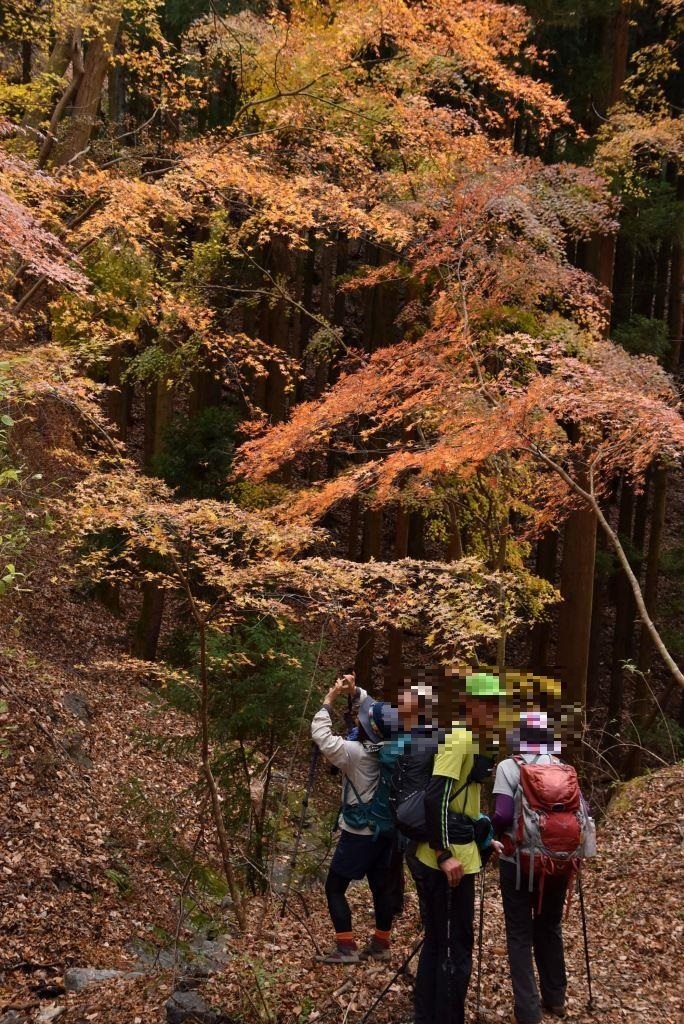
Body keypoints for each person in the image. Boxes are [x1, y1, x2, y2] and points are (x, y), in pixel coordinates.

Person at [409, 671, 504, 1024]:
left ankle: (429, 1014)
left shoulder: (477, 741)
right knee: (452, 946)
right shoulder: (459, 739)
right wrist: (444, 853)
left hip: (464, 856)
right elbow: (436, 798)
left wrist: (484, 837)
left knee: (442, 942)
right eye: (489, 704)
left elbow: (466, 805)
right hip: (447, 864)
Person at [310, 672, 398, 964]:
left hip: (359, 831)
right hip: (385, 829)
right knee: (380, 886)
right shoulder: (391, 744)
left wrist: (328, 702)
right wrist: (356, 690)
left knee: (334, 886)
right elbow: (376, 712)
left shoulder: (353, 753)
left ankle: (346, 948)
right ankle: (382, 944)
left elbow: (321, 736)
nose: (359, 718)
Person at [491, 711, 568, 1023]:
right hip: (558, 862)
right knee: (549, 925)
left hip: (518, 862)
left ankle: (528, 1011)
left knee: (520, 934)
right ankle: (557, 997)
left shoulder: (509, 767)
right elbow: (583, 812)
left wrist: (487, 832)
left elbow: (502, 814)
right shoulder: (562, 768)